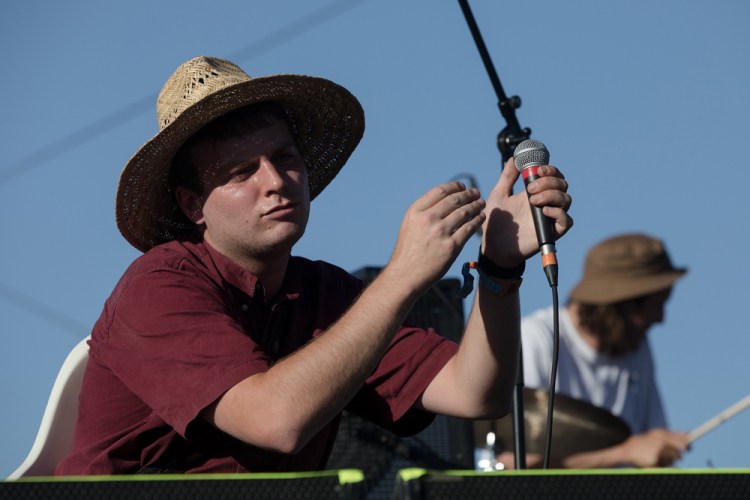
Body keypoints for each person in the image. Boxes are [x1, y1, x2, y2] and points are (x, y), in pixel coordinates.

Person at [55, 56, 573, 474]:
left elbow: (475, 391)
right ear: (193, 206)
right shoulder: (158, 286)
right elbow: (275, 420)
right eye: (241, 172)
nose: (276, 181)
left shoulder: (324, 291)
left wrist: (500, 267)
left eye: (283, 158)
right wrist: (401, 278)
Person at [500, 233, 689, 469]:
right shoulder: (535, 339)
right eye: (657, 305)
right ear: (624, 304)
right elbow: (515, 463)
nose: (661, 318)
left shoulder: (637, 347)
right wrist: (625, 453)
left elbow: (651, 454)